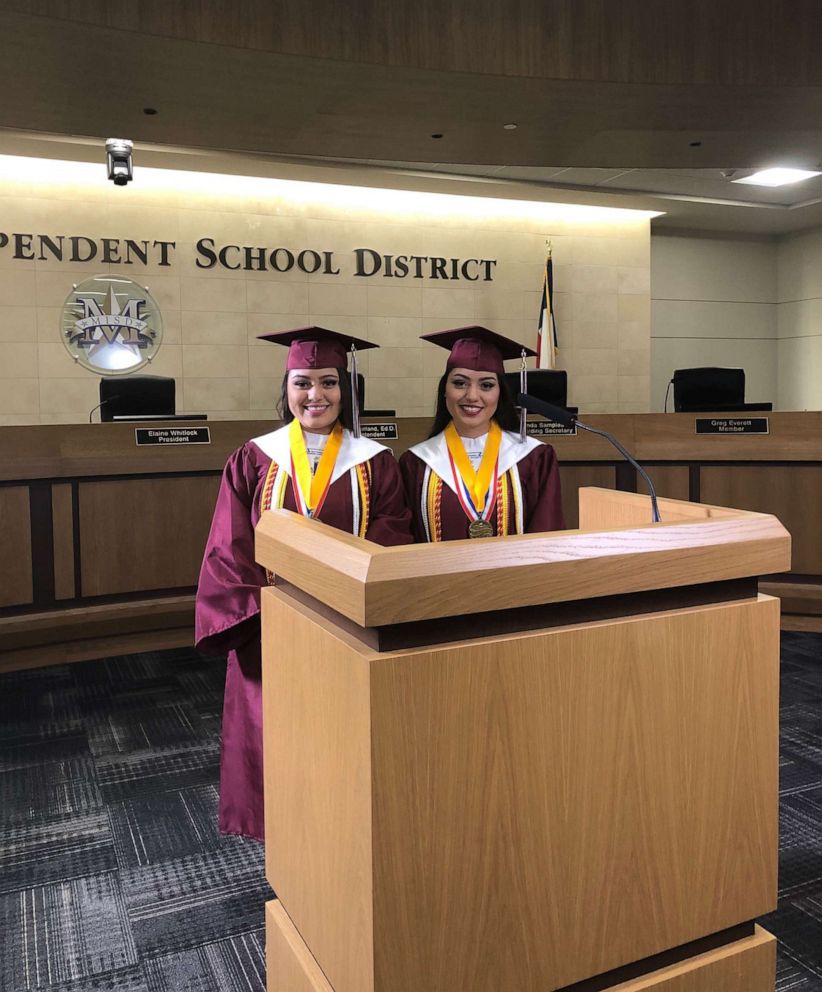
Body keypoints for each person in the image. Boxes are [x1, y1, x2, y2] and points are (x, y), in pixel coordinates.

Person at [195, 327, 413, 841]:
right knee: (277, 733)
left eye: (329, 382)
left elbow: (391, 536)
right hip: (270, 629)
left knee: (349, 734)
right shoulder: (253, 457)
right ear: (286, 388)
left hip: (349, 627)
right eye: (303, 382)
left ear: (347, 389)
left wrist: (357, 606)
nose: (315, 395)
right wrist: (261, 616)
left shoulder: (375, 463)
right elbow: (230, 546)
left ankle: (346, 829)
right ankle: (285, 833)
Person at [400, 326, 565, 541]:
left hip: (514, 575)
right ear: (444, 390)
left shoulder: (534, 458)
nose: (472, 396)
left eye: (486, 385)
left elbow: (547, 535)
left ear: (500, 394)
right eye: (460, 383)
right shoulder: (417, 463)